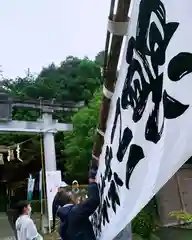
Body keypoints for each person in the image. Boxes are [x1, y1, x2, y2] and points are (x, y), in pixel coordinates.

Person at [56, 171, 100, 239]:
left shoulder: (62, 224)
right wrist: (92, 182)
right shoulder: (75, 211)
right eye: (71, 193)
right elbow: (94, 200)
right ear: (70, 197)